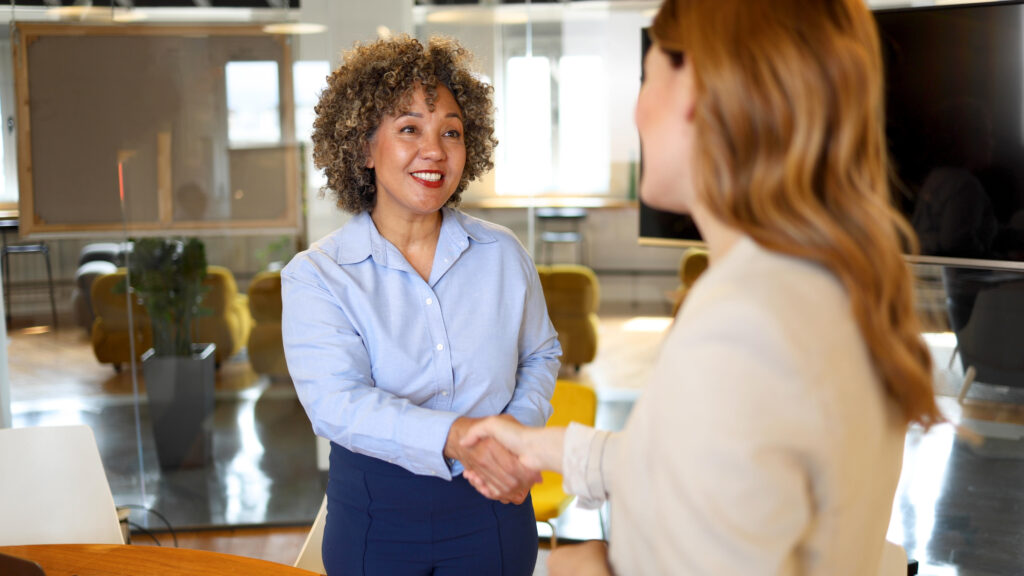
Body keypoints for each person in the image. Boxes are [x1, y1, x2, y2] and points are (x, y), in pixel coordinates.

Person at [462, 1, 944, 575]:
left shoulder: (742, 324)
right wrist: (543, 447)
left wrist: (586, 569)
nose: (638, 109)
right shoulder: (828, 285)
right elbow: (720, 469)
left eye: (648, 76)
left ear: (699, 87)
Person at [281, 35, 561, 575]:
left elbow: (540, 354)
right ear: (363, 147)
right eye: (409, 129)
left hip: (493, 507)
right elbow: (337, 403)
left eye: (450, 132)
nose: (434, 150)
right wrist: (456, 438)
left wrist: (510, 441)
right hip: (378, 514)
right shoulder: (318, 276)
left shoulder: (503, 254)